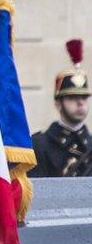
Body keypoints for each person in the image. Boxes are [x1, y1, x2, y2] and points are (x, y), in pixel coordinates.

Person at [31, 39, 91, 177]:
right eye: (72, 98)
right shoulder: (40, 145)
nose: (80, 103)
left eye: (83, 98)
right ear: (58, 103)